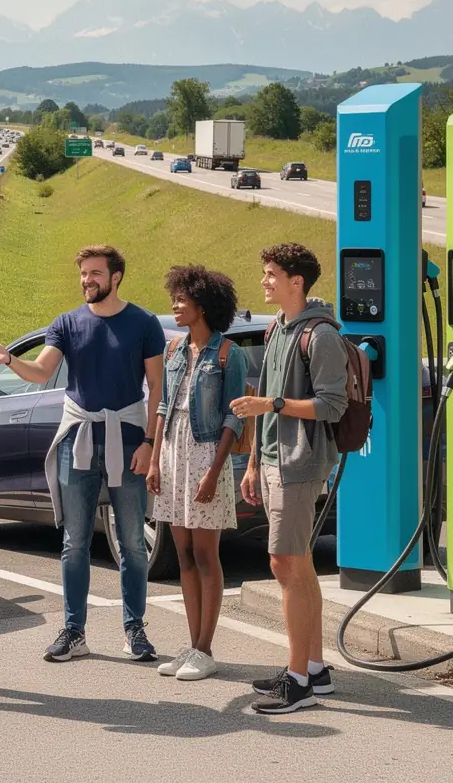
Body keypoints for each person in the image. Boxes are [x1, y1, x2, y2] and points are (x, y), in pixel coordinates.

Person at [0, 245, 165, 663]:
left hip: (129, 440)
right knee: (74, 541)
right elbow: (41, 371)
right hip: (77, 438)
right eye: (83, 274)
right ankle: (74, 631)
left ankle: (135, 630)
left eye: (95, 273)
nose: (86, 280)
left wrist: (150, 444)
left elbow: (157, 390)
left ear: (116, 277)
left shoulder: (144, 323)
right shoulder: (67, 323)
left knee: (132, 543)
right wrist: (9, 360)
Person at [231, 243, 348, 715]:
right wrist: (256, 462)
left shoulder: (320, 336)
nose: (264, 281)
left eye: (271, 274)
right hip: (276, 461)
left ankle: (297, 679)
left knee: (284, 565)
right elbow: (263, 395)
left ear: (296, 281)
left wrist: (273, 407)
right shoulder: (277, 327)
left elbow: (332, 405)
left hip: (302, 463)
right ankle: (314, 669)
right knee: (299, 566)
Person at [147, 265, 248, 682]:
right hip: (173, 454)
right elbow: (162, 409)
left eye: (182, 300)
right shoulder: (173, 351)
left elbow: (234, 418)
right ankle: (192, 646)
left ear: (203, 306)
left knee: (207, 555)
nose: (175, 305)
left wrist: (213, 471)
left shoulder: (229, 354)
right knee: (183, 554)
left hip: (207, 456)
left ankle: (206, 649)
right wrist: (154, 461)